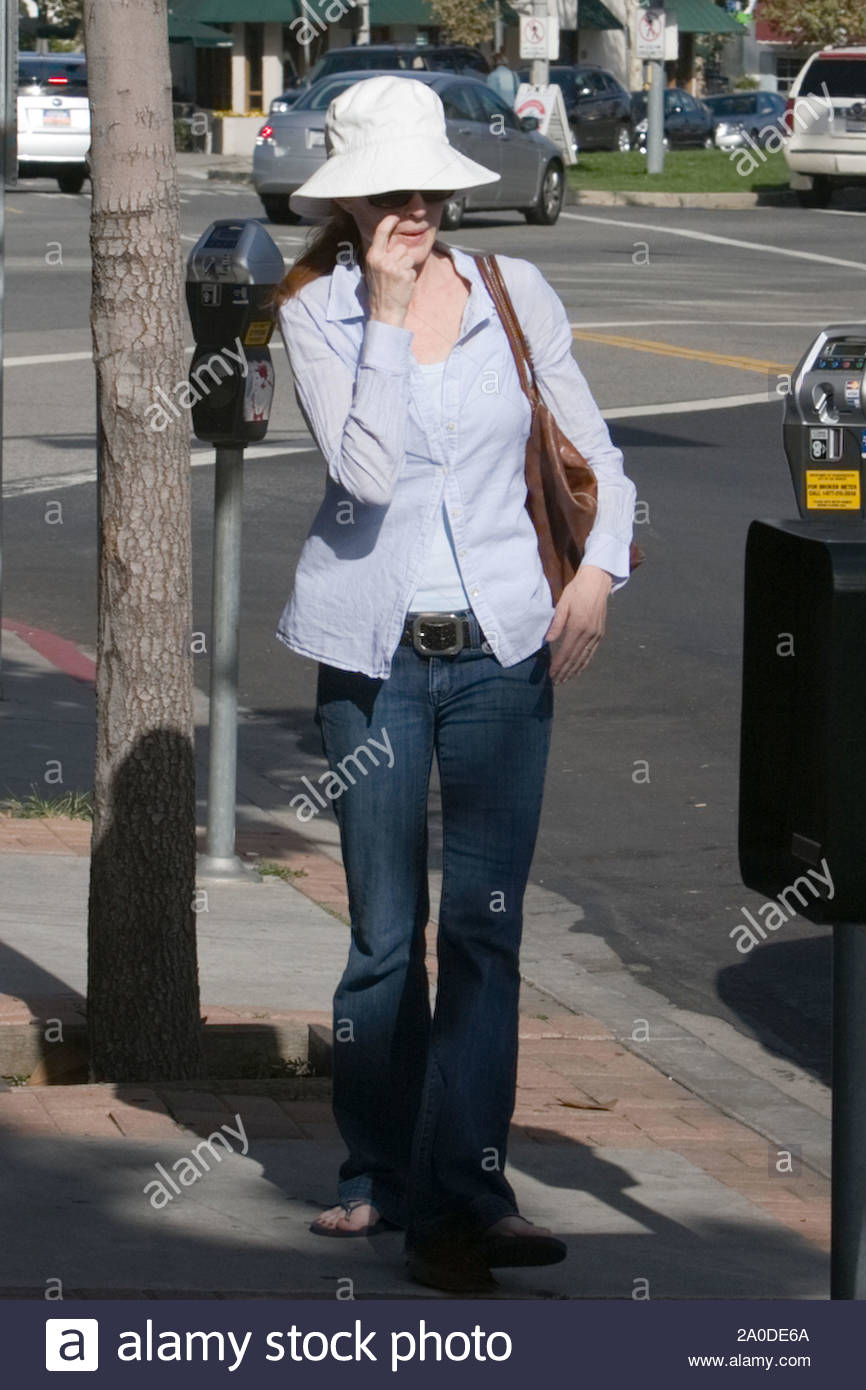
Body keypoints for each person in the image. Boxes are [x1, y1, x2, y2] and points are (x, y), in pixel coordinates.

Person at [273, 74, 636, 1294]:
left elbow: (599, 457)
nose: (414, 208)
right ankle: (378, 1168)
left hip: (502, 653)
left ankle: (463, 1197)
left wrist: (596, 575)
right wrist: (378, 309)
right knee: (385, 942)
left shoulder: (511, 292)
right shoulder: (316, 314)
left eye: (427, 186)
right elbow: (365, 479)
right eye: (388, 191)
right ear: (349, 203)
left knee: (483, 934)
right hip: (371, 662)